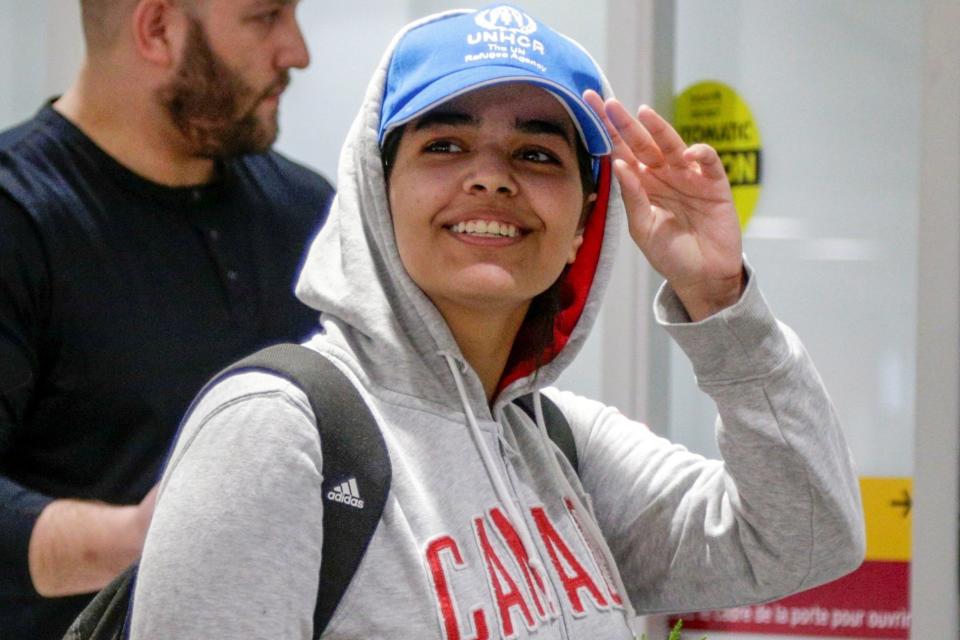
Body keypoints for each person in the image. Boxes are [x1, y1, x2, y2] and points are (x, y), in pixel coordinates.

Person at [130, 5, 865, 638]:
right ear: (375, 194)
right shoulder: (276, 433)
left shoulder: (564, 447)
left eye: (537, 153)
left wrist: (720, 299)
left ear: (583, 221)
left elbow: (805, 536)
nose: (490, 177)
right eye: (443, 145)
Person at [0, 0, 334, 637]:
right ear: (157, 29)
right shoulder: (18, 220)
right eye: (266, 18)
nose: (297, 52)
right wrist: (136, 540)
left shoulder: (308, 213)